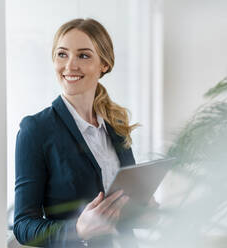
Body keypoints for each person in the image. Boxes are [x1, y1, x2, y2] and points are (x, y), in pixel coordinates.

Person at [13, 18, 140, 248]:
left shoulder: (116, 124)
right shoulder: (36, 130)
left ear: (104, 64)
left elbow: (126, 206)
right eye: (62, 54)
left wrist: (143, 209)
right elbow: (23, 226)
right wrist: (78, 230)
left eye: (83, 55)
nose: (70, 66)